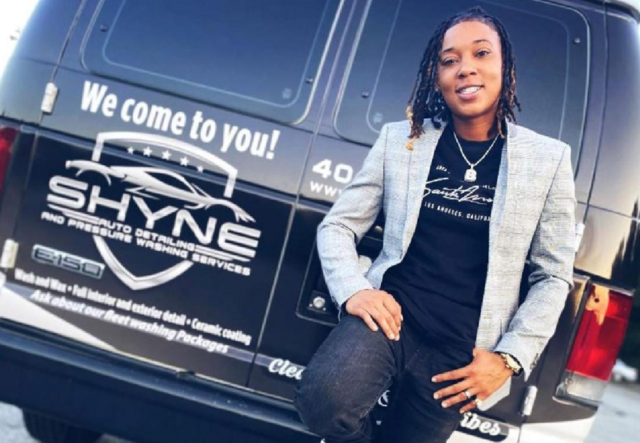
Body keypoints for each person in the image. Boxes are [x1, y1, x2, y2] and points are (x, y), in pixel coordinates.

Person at [294, 6, 576, 443]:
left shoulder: (548, 160)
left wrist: (509, 359)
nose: (466, 69)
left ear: (506, 68)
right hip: (390, 320)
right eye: (450, 60)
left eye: (481, 53)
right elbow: (338, 226)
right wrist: (355, 289)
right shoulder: (401, 140)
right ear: (436, 74)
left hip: (462, 355)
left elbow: (553, 275)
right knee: (322, 401)